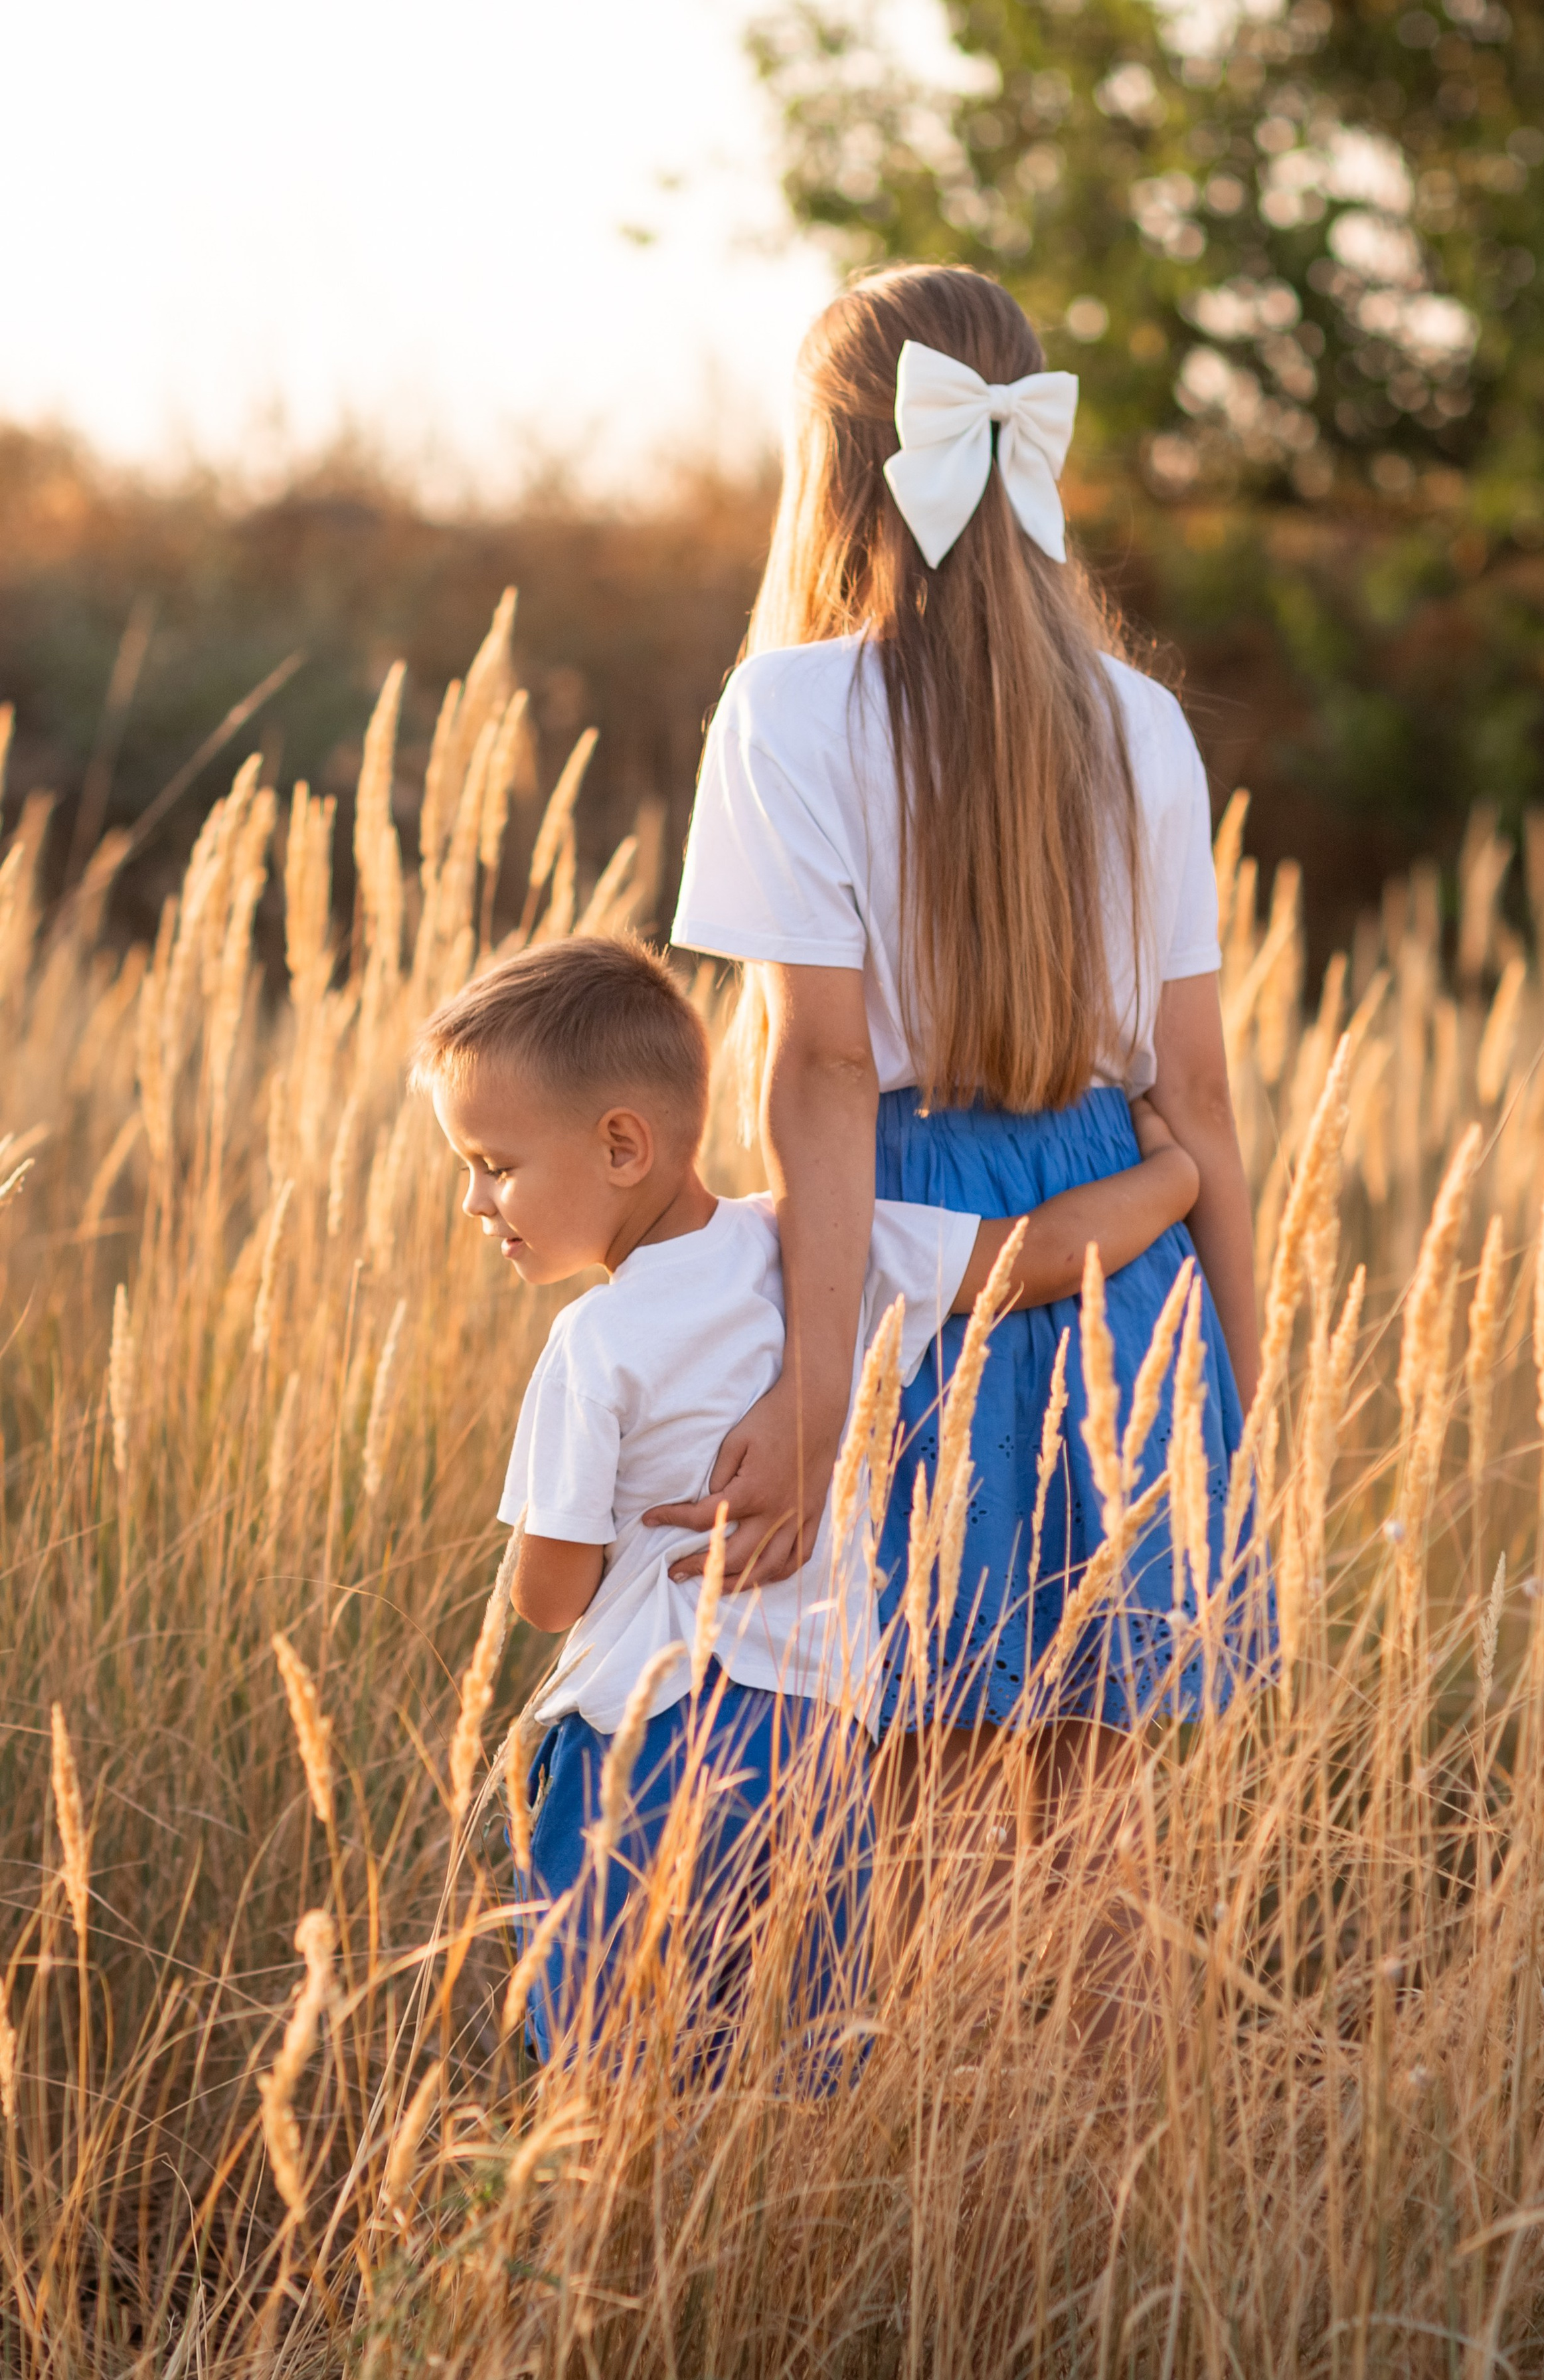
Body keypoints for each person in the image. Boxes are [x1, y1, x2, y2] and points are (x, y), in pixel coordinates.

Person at [657, 263, 1267, 1837]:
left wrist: (805, 1389)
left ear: (831, 464)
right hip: (1126, 1249)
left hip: (909, 1248)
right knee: (1092, 1805)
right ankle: (1113, 2103)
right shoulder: (1144, 719)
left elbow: (826, 1071)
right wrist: (1246, 1394)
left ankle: (945, 2099)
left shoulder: (787, 710)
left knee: (909, 1785)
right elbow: (1192, 1095)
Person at [413, 933, 1201, 2057]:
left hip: (640, 1748)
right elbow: (1040, 1253)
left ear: (623, 1145)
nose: (474, 1202)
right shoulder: (821, 1245)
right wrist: (1173, 1179)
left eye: (493, 1164)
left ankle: (615, 2235)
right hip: (821, 1749)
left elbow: (547, 1598)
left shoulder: (593, 1344)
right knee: (800, 2066)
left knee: (613, 2074)